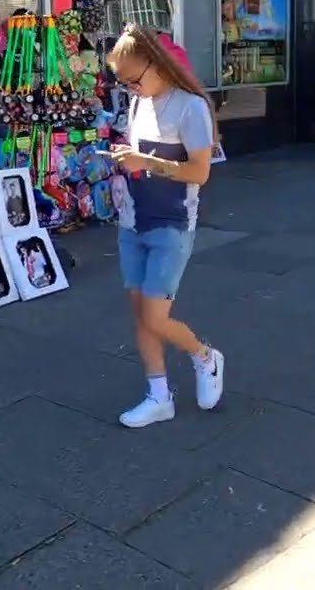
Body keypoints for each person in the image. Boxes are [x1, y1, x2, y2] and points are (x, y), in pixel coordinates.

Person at [105, 24, 224, 429]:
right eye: (124, 85)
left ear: (157, 65)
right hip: (132, 220)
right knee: (141, 316)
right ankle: (158, 397)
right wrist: (127, 157)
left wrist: (147, 163)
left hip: (171, 225)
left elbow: (200, 172)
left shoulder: (190, 107)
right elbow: (142, 157)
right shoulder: (141, 103)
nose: (131, 90)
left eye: (134, 80)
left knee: (156, 318)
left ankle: (205, 357)